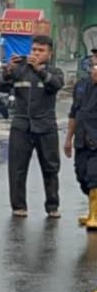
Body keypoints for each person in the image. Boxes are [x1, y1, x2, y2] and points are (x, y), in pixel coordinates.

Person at [0, 35, 64, 218]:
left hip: (46, 125)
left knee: (50, 168)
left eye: (41, 50)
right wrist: (8, 71)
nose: (36, 53)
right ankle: (18, 206)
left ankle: (52, 206)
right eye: (34, 49)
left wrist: (39, 70)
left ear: (49, 54)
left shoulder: (55, 71)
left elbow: (56, 85)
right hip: (21, 125)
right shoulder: (20, 70)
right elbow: (1, 88)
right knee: (17, 168)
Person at [65, 60, 97, 229]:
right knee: (82, 175)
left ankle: (95, 214)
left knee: (94, 177)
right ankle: (92, 210)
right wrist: (68, 139)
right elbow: (74, 112)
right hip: (81, 139)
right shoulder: (81, 86)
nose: (94, 67)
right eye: (93, 64)